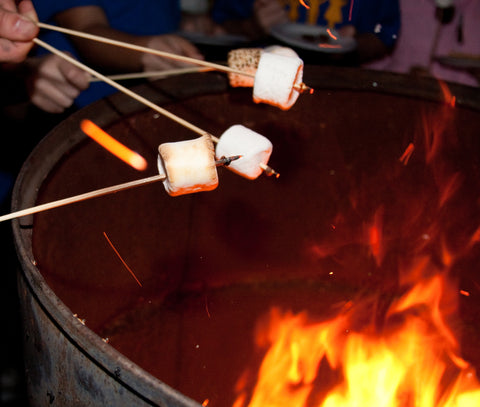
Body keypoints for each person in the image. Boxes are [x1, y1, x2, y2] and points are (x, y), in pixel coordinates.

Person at [32, 0, 204, 107]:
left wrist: (187, 20)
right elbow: (86, 29)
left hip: (158, 96)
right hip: (90, 104)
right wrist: (145, 51)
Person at [211, 0, 400, 64]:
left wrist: (353, 45)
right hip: (255, 84)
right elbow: (216, 29)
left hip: (335, 90)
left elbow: (383, 39)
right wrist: (252, 26)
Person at [366, 0, 480, 87]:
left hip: (464, 110)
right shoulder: (398, 5)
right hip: (399, 106)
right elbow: (371, 77)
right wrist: (403, 81)